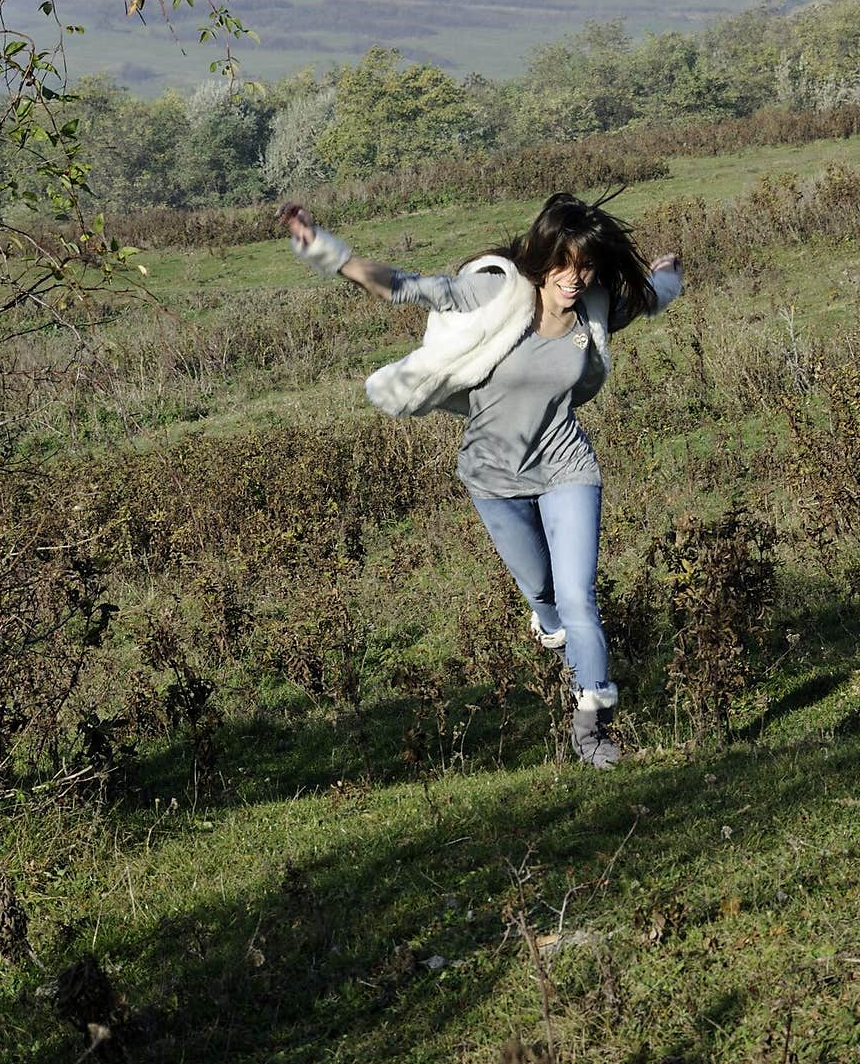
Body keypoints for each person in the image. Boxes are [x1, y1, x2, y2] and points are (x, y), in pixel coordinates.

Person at [277, 193, 682, 769]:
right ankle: (550, 628)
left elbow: (646, 299)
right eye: (564, 266)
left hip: (566, 464)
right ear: (544, 260)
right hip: (493, 476)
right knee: (544, 598)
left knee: (578, 598)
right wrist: (322, 249)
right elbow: (406, 285)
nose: (574, 279)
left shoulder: (594, 304)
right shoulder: (499, 292)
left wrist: (668, 275)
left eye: (585, 267)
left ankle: (591, 726)